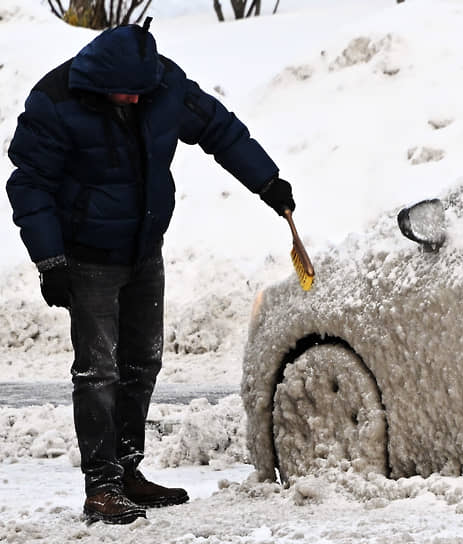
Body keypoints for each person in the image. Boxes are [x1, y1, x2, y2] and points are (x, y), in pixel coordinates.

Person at [5, 18, 295, 525]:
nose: (136, 102)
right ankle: (101, 487)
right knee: (98, 372)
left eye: (142, 92)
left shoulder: (161, 85)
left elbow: (221, 131)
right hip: (87, 255)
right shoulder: (55, 101)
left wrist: (268, 182)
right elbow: (28, 184)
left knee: (144, 361)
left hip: (143, 249)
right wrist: (49, 260)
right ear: (100, 81)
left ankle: (127, 468)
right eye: (126, 94)